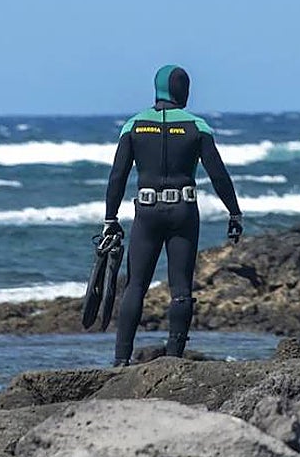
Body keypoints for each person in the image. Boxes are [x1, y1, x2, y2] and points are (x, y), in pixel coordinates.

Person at [104, 65, 244, 365]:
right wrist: (234, 212)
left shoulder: (134, 125)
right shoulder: (197, 127)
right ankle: (173, 360)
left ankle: (120, 362)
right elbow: (218, 174)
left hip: (147, 213)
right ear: (183, 90)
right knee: (180, 288)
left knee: (136, 286)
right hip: (183, 212)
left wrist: (110, 219)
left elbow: (117, 176)